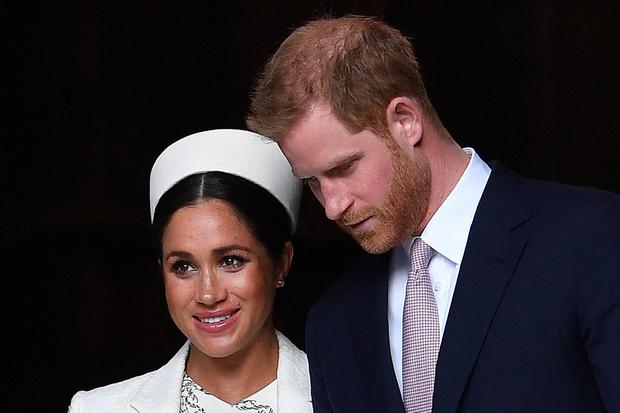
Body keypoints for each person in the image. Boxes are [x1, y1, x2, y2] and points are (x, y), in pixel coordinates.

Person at [246, 15, 620, 413]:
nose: (332, 205)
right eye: (313, 182)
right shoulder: (333, 324)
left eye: (344, 168)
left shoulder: (591, 240)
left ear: (405, 121)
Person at [68, 129, 312, 412]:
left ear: (281, 262)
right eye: (183, 267)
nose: (208, 294)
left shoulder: (349, 398)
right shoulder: (98, 408)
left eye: (231, 261)